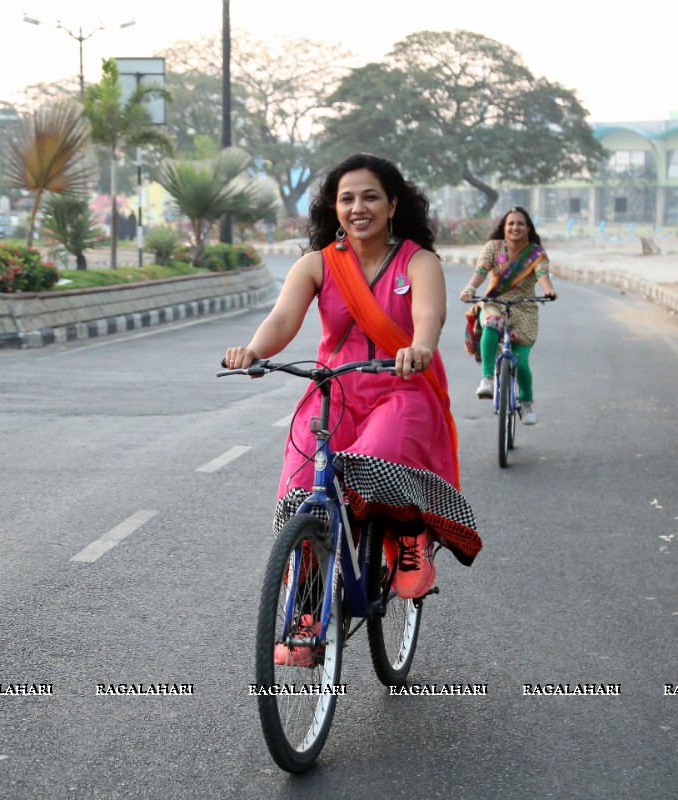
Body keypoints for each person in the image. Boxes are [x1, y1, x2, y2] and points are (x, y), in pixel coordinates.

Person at [223, 153, 480, 622]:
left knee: (378, 460)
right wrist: (254, 350)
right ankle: (306, 603)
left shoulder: (418, 262)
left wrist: (421, 347)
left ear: (393, 204)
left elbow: (429, 317)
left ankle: (408, 537)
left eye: (370, 197)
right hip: (333, 391)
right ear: (334, 208)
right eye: (347, 199)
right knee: (303, 489)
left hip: (401, 387)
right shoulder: (317, 264)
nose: (358, 207)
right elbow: (282, 319)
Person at [458, 207, 557, 425]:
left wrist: (548, 290)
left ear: (528, 228)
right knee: (491, 324)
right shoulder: (493, 248)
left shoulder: (536, 253)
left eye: (520, 223)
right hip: (495, 302)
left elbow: (542, 274)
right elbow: (481, 272)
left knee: (521, 364)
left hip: (525, 308)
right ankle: (487, 379)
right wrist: (470, 289)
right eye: (510, 223)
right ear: (503, 228)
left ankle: (527, 404)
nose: (515, 227)